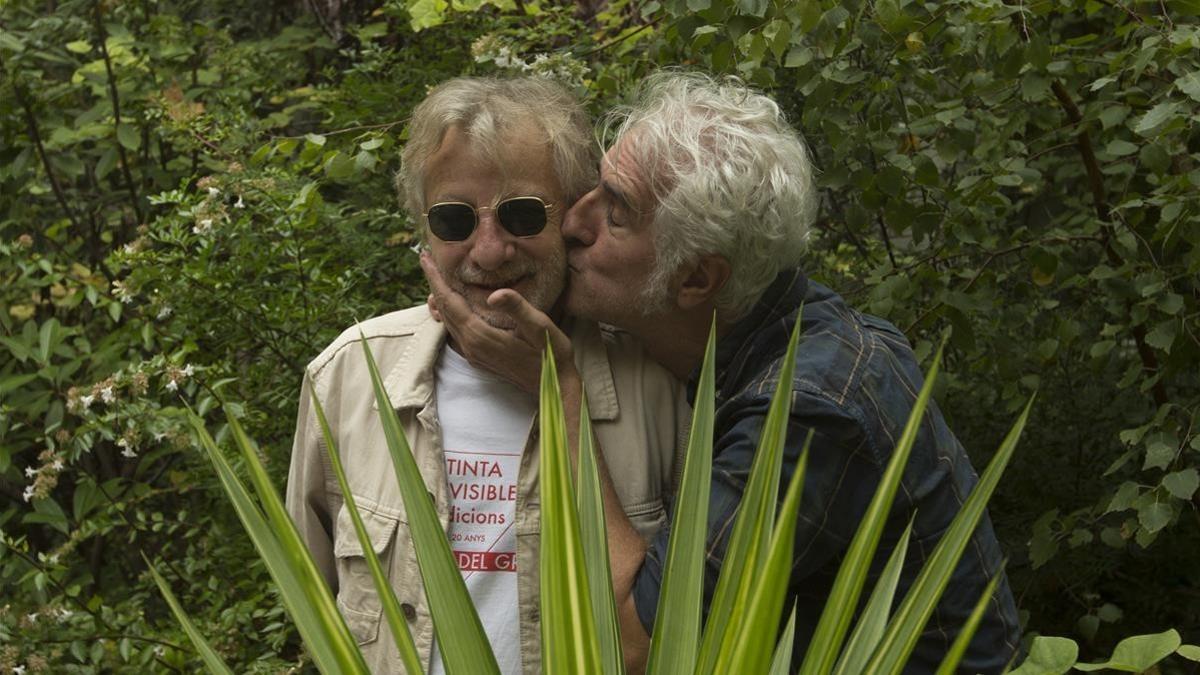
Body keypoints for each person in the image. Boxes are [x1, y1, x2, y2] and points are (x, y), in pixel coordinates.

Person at [426, 71, 1021, 673]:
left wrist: (559, 390)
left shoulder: (809, 410)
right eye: (595, 189)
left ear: (695, 280)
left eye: (617, 213)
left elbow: (641, 647)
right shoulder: (799, 339)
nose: (575, 222)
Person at [285, 76, 688, 675]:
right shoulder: (349, 377)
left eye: (522, 215)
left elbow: (686, 623)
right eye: (454, 221)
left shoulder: (658, 383)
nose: (490, 251)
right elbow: (311, 600)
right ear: (423, 230)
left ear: (575, 215)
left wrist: (557, 388)